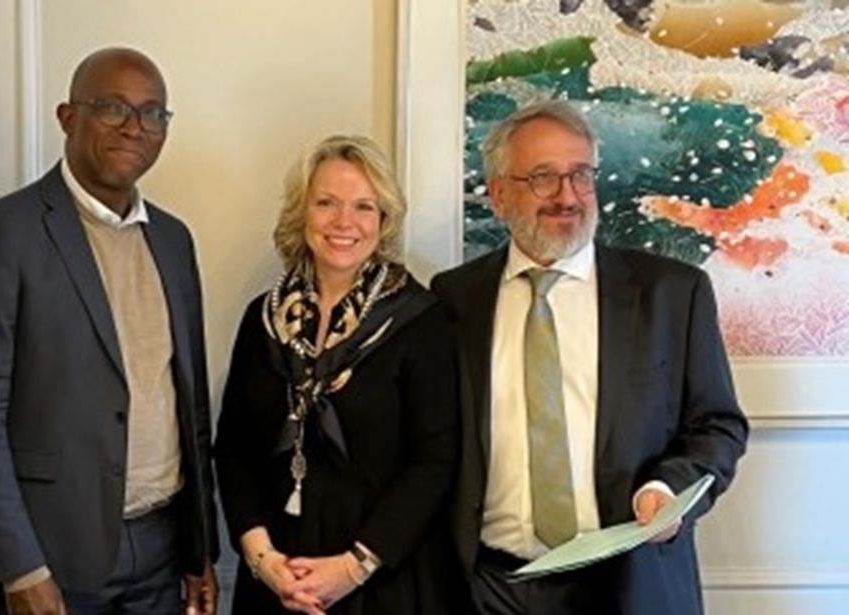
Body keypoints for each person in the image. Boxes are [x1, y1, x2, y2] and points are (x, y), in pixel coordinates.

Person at [431, 100, 749, 615]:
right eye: (543, 178)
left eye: (580, 175)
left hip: (630, 582)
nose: (567, 196)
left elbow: (717, 425)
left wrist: (667, 488)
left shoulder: (671, 294)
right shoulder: (454, 299)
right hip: (486, 589)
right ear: (499, 196)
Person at [0, 47, 218, 615]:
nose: (134, 127)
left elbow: (189, 406)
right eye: (113, 107)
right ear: (68, 117)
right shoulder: (1, 233)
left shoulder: (173, 240)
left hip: (164, 548)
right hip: (53, 552)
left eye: (152, 113)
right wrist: (20, 565)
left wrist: (201, 549)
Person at [214, 135, 466, 615]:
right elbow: (234, 447)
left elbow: (435, 462)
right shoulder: (263, 319)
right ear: (302, 212)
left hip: (381, 582)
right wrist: (263, 558)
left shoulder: (421, 321)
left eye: (363, 206)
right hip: (276, 581)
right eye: (326, 202)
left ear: (384, 219)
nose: (343, 222)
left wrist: (353, 568)